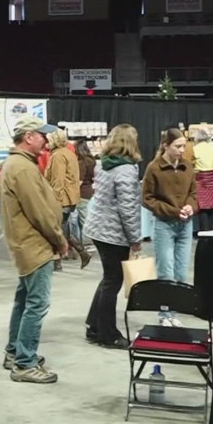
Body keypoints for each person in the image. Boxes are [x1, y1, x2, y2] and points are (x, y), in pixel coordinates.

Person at [0, 116, 66, 384]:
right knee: (37, 303)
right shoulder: (23, 168)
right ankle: (25, 363)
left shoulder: (18, 164)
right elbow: (39, 211)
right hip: (34, 244)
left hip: (26, 243)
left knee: (24, 301)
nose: (46, 140)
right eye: (42, 135)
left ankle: (14, 352)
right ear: (28, 137)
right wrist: (59, 238)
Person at [82, 124, 142, 350]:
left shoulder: (103, 165)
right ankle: (108, 334)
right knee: (112, 282)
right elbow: (128, 209)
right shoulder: (126, 170)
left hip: (98, 229)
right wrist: (135, 239)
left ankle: (94, 325)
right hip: (113, 233)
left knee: (108, 279)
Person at [142, 128, 198, 290]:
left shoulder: (187, 167)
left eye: (183, 146)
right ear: (166, 146)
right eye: (177, 146)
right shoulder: (154, 168)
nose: (182, 150)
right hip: (164, 225)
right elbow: (147, 198)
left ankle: (178, 307)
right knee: (165, 271)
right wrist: (173, 211)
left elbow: (193, 193)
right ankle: (166, 312)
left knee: (181, 273)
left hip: (186, 225)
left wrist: (190, 206)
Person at [44, 129, 89, 270]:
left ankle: (59, 261)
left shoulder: (57, 156)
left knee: (57, 230)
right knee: (62, 230)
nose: (46, 142)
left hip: (62, 199)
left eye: (49, 140)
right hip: (70, 198)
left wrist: (54, 201)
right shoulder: (69, 153)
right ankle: (80, 253)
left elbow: (58, 181)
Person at [74, 141, 96, 233]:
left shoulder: (82, 163)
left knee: (83, 220)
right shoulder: (92, 161)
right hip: (89, 190)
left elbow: (79, 181)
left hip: (81, 193)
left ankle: (87, 243)